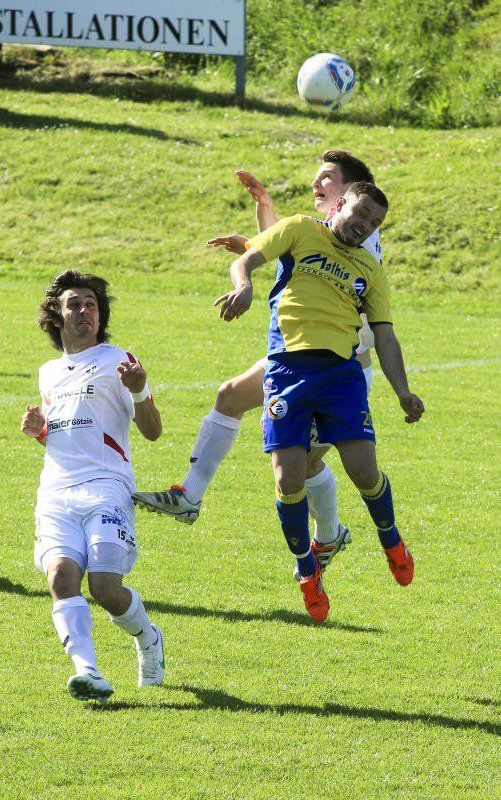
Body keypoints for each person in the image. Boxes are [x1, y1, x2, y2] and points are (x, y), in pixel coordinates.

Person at [133, 151, 379, 574]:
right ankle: (189, 496)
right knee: (230, 396)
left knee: (304, 465)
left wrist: (254, 248)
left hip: (339, 370)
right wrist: (262, 215)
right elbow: (297, 253)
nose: (316, 184)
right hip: (298, 359)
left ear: (350, 192)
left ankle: (330, 535)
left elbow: (313, 263)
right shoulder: (327, 229)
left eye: (326, 177)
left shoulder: (361, 234)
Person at [213, 181, 424, 622]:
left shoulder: (370, 269)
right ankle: (308, 571)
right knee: (288, 480)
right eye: (361, 213)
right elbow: (246, 258)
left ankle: (391, 538)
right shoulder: (300, 229)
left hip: (341, 375)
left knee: (363, 470)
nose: (365, 225)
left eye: (374, 222)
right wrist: (244, 286)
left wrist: (403, 391)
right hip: (287, 371)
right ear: (341, 203)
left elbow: (385, 335)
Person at [21, 270, 165, 704]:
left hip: (106, 486)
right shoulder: (49, 372)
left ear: (100, 316)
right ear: (57, 316)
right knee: (61, 577)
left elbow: (153, 431)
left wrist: (139, 391)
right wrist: (40, 431)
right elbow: (68, 435)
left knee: (104, 587)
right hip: (56, 491)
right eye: (74, 304)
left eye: (91, 304)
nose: (84, 310)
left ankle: (148, 636)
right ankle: (87, 671)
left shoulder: (117, 360)